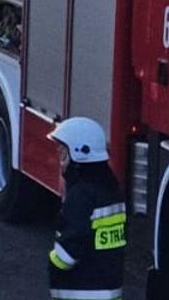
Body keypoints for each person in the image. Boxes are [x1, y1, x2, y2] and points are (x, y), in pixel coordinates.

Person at [46, 117, 125, 300]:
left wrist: (52, 264)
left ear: (78, 154)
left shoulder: (81, 196)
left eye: (63, 153)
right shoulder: (112, 191)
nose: (60, 160)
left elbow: (65, 257)